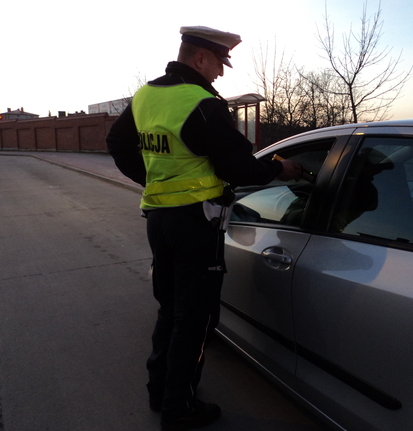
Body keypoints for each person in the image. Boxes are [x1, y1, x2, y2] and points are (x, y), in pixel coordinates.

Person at [106, 25, 302, 431]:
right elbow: (238, 167)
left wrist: (153, 181)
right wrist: (279, 168)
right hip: (196, 223)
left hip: (158, 219)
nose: (221, 73)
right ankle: (179, 407)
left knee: (171, 308)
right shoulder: (202, 104)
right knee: (195, 318)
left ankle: (159, 391)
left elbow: (117, 142)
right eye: (218, 62)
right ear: (199, 58)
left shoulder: (145, 96)